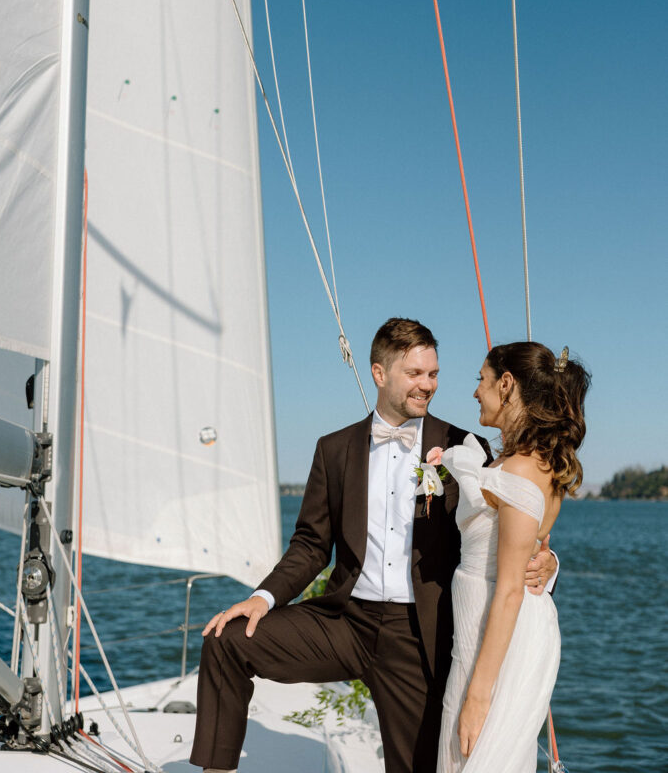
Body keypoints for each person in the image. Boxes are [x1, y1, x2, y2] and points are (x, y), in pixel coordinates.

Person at [190, 319, 557, 773]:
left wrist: (548, 563)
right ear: (380, 374)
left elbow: (513, 532)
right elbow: (309, 544)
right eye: (415, 374)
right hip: (345, 621)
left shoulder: (465, 445)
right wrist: (262, 598)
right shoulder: (333, 449)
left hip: (418, 635)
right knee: (227, 640)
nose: (428, 385)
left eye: (434, 374)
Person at [437, 341, 590, 772]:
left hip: (499, 633)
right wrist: (551, 561)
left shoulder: (522, 468)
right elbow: (533, 549)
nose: (475, 392)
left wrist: (479, 695)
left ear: (506, 384)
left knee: (471, 753)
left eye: (481, 381)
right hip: (485, 625)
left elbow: (509, 590)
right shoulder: (526, 461)